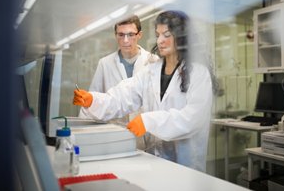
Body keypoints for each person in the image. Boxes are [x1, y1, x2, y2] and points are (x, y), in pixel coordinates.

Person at [73, 10, 213, 172]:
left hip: (186, 163)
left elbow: (192, 119)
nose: (160, 41)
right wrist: (93, 100)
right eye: (158, 34)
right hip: (156, 160)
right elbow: (123, 96)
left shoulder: (199, 73)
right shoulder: (151, 71)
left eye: (166, 35)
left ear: (182, 37)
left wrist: (148, 121)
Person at [79, 15, 155, 125]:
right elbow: (93, 102)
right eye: (121, 35)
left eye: (130, 34)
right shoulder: (105, 64)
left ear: (139, 35)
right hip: (115, 131)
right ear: (115, 35)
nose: (125, 40)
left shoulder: (153, 62)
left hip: (146, 132)